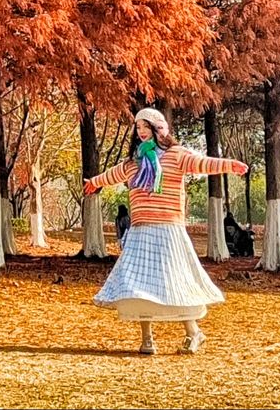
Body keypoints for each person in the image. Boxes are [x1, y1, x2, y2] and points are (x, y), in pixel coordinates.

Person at [83, 107, 247, 356]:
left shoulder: (176, 155)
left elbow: (202, 163)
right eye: (137, 129)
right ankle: (147, 339)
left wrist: (229, 165)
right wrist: (95, 182)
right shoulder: (133, 162)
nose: (140, 133)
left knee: (174, 281)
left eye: (145, 127)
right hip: (140, 231)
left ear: (158, 129)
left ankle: (194, 333)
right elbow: (112, 174)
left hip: (169, 231)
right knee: (139, 286)